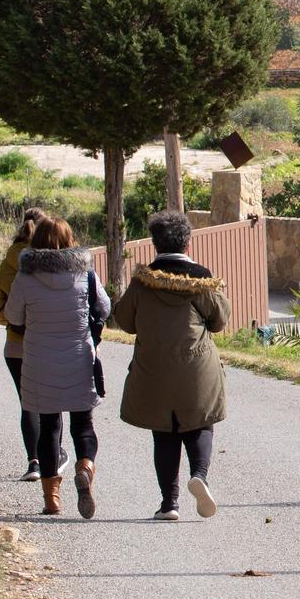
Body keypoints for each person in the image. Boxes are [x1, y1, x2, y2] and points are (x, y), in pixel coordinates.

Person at [112, 210, 230, 522]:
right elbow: (219, 322)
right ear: (188, 243)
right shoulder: (201, 278)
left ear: (155, 244)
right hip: (196, 366)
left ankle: (169, 504)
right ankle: (200, 476)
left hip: (154, 368)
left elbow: (124, 322)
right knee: (200, 422)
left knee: (164, 433)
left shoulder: (143, 281)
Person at [2, 215, 111, 518]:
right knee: (83, 425)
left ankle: (52, 500)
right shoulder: (85, 272)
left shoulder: (25, 276)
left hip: (38, 360)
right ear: (70, 240)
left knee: (49, 428)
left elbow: (14, 315)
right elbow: (104, 307)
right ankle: (85, 468)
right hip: (79, 358)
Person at [0, 207, 47, 481]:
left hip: (15, 345)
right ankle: (53, 455)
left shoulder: (9, 262)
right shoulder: (52, 262)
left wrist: (11, 323)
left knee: (28, 404)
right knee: (49, 403)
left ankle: (34, 462)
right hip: (48, 343)